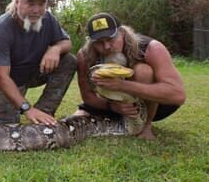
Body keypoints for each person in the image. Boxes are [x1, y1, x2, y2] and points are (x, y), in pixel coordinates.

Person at [76, 12, 186, 140]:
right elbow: (87, 95)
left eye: (111, 39)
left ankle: (146, 126)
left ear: (122, 33)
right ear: (91, 42)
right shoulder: (85, 56)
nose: (106, 47)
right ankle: (116, 119)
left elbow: (178, 95)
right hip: (113, 105)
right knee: (79, 117)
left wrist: (122, 85)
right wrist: (112, 106)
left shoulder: (152, 48)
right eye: (99, 43)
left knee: (143, 71)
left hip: (155, 107)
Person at [0, 0, 77, 125]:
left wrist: (55, 49)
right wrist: (27, 108)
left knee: (68, 60)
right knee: (5, 126)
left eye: (41, 4)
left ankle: (44, 112)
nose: (36, 10)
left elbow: (66, 42)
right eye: (30, 3)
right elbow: (1, 76)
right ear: (17, 2)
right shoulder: (0, 29)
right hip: (6, 81)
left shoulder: (48, 19)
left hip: (34, 72)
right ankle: (26, 110)